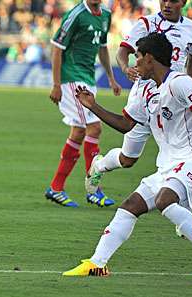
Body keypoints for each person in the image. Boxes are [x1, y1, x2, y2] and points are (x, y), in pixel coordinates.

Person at [63, 33, 192, 281]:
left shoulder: (179, 83)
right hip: (169, 166)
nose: (135, 63)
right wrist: (93, 106)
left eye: (138, 58)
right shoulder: (145, 91)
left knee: (165, 199)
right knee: (130, 206)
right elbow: (125, 125)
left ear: (150, 59)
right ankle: (97, 263)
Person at [85, 0, 192, 193]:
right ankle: (100, 165)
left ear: (183, 2)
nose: (166, 4)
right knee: (128, 159)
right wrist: (125, 68)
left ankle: (180, 208)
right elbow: (123, 51)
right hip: (144, 95)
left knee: (179, 151)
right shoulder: (146, 24)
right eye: (163, 0)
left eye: (172, 0)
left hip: (172, 96)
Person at [45, 0, 121, 208]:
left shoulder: (105, 15)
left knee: (79, 132)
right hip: (72, 78)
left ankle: (56, 187)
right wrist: (56, 84)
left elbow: (103, 48)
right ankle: (94, 190)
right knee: (94, 128)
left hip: (88, 78)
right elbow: (57, 48)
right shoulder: (76, 15)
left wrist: (111, 78)